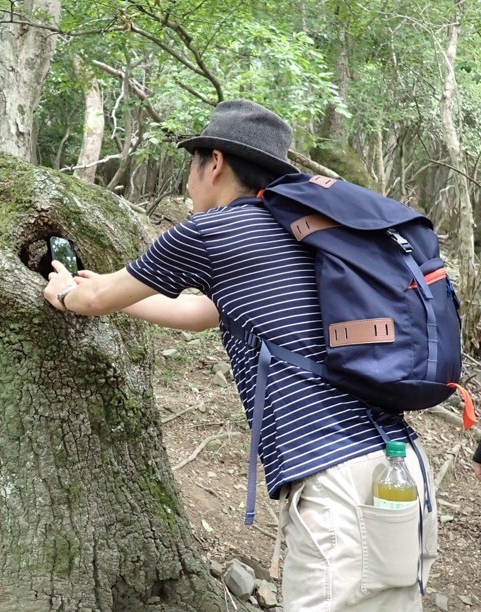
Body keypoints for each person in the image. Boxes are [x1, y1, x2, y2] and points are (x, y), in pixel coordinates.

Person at [44, 99, 438, 611]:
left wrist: (63, 290)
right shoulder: (302, 233)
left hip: (338, 485)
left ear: (215, 164)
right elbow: (205, 312)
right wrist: (128, 302)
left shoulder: (212, 231)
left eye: (192, 165)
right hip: (398, 469)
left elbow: (93, 301)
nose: (189, 182)